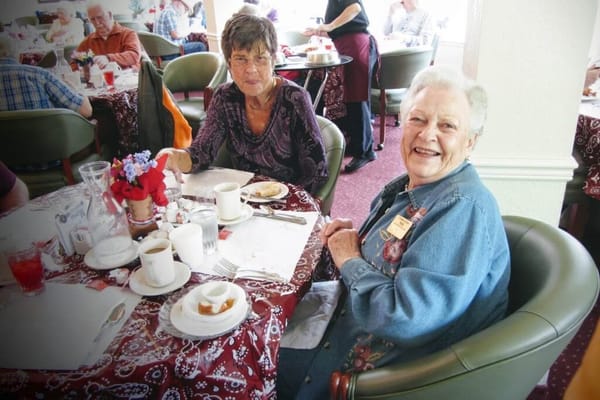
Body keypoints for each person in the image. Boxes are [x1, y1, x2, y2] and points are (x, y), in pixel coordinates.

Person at [276, 66, 511, 399]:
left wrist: (348, 259)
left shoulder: (461, 207)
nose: (427, 134)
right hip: (343, 323)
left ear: (470, 142)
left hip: (387, 376)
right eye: (418, 119)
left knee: (243, 358)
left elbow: (406, 317)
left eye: (447, 126)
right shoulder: (410, 188)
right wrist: (355, 241)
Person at [157, 13, 328, 196]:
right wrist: (175, 157)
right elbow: (202, 153)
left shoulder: (294, 99)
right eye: (241, 59)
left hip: (289, 202)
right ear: (229, 63)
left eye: (260, 58)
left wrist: (286, 205)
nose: (251, 69)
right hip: (245, 201)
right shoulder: (225, 98)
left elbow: (316, 172)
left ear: (273, 60)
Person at [305, 0, 378, 173]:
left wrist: (329, 26)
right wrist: (321, 30)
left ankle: (365, 151)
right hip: (348, 45)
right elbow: (341, 27)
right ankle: (357, 145)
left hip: (356, 45)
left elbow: (355, 8)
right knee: (350, 97)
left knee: (357, 97)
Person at [0, 36, 92, 117]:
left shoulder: (40, 74)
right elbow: (86, 111)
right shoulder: (39, 75)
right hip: (49, 136)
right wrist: (77, 89)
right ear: (20, 57)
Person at [73, 1, 143, 70]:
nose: (97, 23)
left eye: (100, 17)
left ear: (110, 15)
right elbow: (74, 64)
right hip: (100, 80)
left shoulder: (128, 34)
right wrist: (84, 64)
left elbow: (134, 55)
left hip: (127, 79)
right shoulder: (88, 41)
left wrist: (108, 58)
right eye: (93, 19)